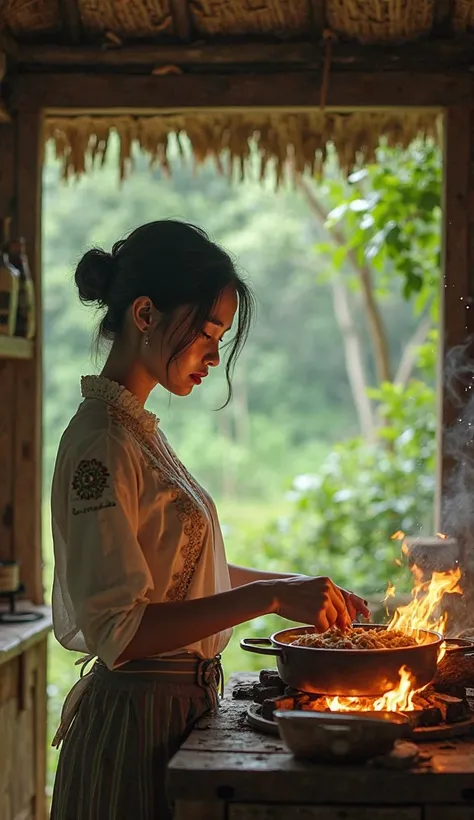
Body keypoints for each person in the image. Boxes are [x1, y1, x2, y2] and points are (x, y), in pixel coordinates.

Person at [49, 220, 370, 819]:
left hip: (175, 714)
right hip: (135, 723)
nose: (213, 356)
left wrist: (293, 587)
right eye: (206, 333)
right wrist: (272, 596)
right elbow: (123, 630)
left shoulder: (136, 432)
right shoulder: (102, 443)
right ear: (145, 314)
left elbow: (188, 572)